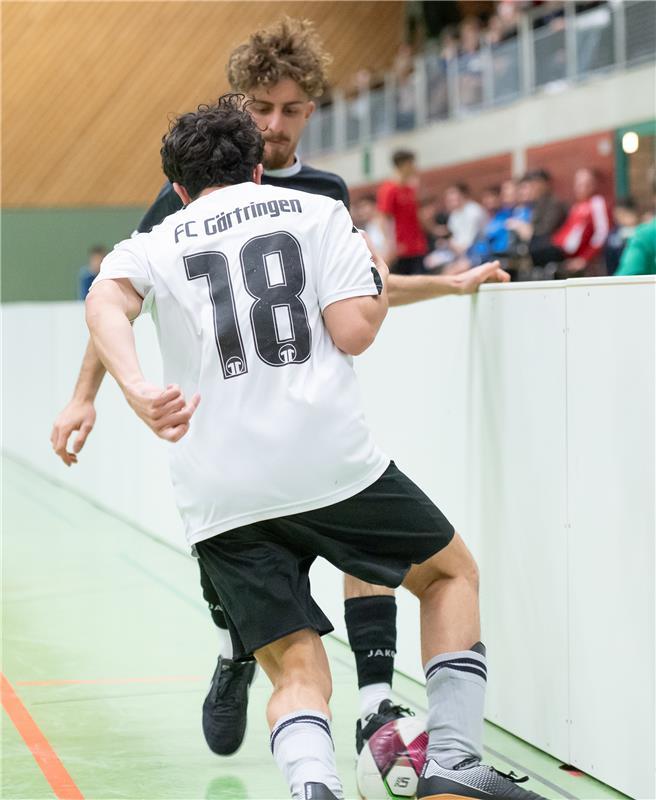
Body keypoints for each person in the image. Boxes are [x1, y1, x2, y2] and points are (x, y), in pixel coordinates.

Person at [50, 16, 509, 762]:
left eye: (291, 110)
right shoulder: (217, 202)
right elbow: (136, 297)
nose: (275, 124)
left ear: (310, 111)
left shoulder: (322, 192)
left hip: (262, 447)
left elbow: (117, 293)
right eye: (262, 109)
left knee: (332, 575)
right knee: (409, 561)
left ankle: (372, 705)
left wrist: (449, 284)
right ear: (241, 108)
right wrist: (87, 393)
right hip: (260, 435)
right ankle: (238, 653)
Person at [529, 167, 610, 277]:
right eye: (579, 184)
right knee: (533, 246)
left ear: (594, 185)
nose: (582, 187)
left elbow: (601, 234)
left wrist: (584, 259)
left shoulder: (597, 203)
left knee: (532, 252)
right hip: (558, 247)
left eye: (586, 184)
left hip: (569, 253)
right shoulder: (577, 206)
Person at [376, 150, 429, 275]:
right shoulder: (388, 189)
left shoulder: (410, 189)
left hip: (417, 246)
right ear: (403, 165)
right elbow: (383, 218)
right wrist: (390, 244)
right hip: (401, 249)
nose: (415, 167)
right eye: (411, 163)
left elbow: (416, 216)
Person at [605, 197, 640, 275]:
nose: (618, 218)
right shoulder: (613, 234)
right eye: (616, 215)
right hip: (618, 275)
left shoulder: (643, 231)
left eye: (623, 214)